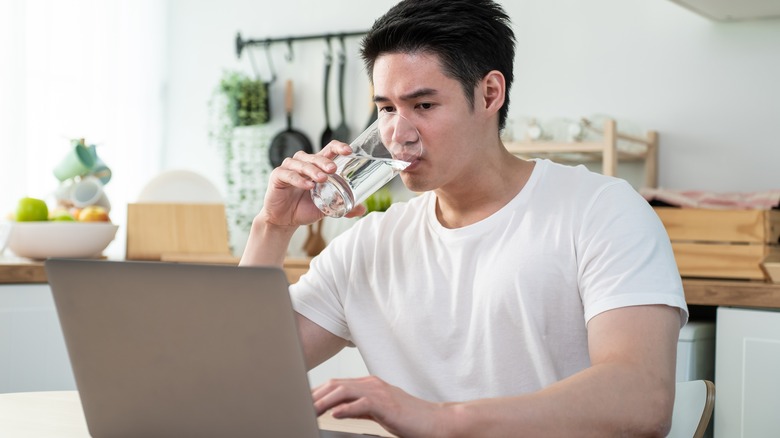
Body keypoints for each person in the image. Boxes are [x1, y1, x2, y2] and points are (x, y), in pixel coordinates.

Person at [240, 0, 688, 436]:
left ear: (490, 93)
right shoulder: (370, 246)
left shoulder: (600, 211)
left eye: (424, 106)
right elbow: (244, 370)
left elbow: (642, 399)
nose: (398, 134)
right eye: (387, 108)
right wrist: (272, 228)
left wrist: (443, 420)